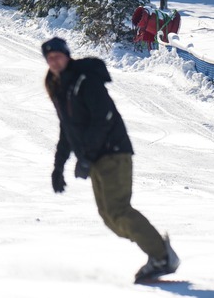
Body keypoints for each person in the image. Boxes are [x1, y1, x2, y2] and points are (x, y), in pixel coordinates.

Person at [42, 37, 179, 283]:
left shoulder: (85, 81)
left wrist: (87, 155)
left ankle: (161, 256)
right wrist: (58, 167)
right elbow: (67, 129)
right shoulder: (61, 87)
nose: (54, 61)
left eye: (58, 56)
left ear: (67, 55)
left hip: (113, 152)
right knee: (109, 217)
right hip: (96, 158)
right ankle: (157, 251)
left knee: (119, 210)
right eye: (49, 58)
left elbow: (103, 118)